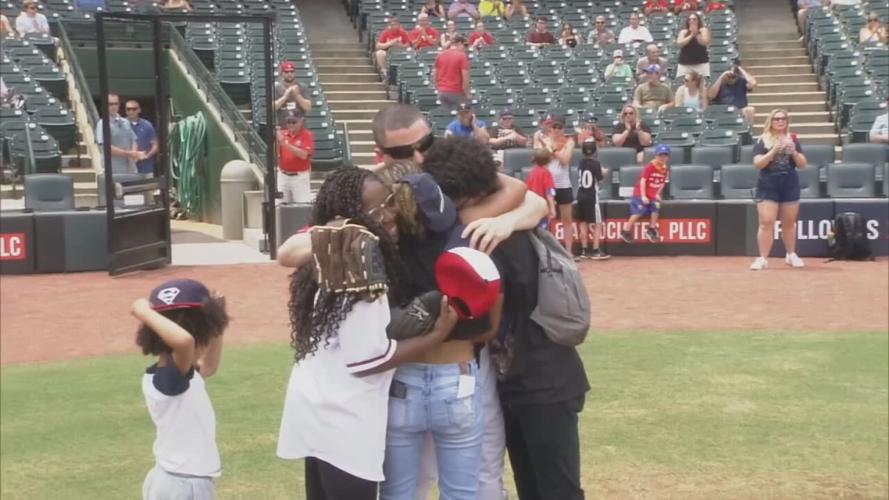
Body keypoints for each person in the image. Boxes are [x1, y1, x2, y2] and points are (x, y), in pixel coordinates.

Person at [421, 140, 590, 500]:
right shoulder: (502, 223)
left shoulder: (493, 236)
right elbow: (527, 197)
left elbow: (486, 325)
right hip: (521, 382)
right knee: (538, 486)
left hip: (543, 381)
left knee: (556, 489)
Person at [277, 167, 460, 500]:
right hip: (345, 421)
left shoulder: (333, 258)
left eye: (391, 202)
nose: (391, 213)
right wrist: (436, 334)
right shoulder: (361, 270)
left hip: (315, 408)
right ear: (353, 219)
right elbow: (369, 360)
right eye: (378, 210)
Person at [134, 278, 229, 500]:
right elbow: (185, 342)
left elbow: (210, 367)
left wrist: (219, 325)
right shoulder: (168, 382)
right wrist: (141, 309)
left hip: (171, 481)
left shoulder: (173, 376)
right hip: (183, 485)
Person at [750, 109, 808, 270]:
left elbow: (803, 164)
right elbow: (757, 163)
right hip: (768, 183)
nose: (780, 121)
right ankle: (762, 258)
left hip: (789, 182)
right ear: (771, 122)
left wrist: (794, 152)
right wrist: (773, 151)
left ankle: (791, 254)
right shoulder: (763, 140)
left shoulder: (793, 139)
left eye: (783, 119)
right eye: (776, 119)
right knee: (766, 222)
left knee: (789, 222)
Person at [534, 115, 577, 259]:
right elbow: (540, 158)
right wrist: (552, 149)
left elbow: (565, 160)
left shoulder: (569, 141)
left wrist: (551, 150)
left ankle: (569, 251)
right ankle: (545, 251)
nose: (557, 130)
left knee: (567, 220)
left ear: (563, 128)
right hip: (546, 184)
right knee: (545, 219)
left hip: (563, 184)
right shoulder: (543, 140)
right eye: (554, 127)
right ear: (549, 128)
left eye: (559, 127)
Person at [620, 144, 670, 244]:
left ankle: (651, 229)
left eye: (665, 155)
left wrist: (657, 194)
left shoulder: (665, 169)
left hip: (652, 195)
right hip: (640, 193)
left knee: (656, 206)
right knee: (639, 210)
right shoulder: (650, 166)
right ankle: (625, 230)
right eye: (660, 155)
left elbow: (662, 183)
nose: (662, 157)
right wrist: (643, 195)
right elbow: (643, 180)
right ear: (656, 156)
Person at [576, 140, 611, 260]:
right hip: (591, 197)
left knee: (583, 223)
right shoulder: (596, 164)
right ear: (595, 152)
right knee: (597, 224)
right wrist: (603, 172)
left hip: (580, 195)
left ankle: (584, 250)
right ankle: (596, 250)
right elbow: (600, 181)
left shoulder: (580, 163)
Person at [97, 93, 142, 174]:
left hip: (130, 170)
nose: (113, 106)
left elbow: (134, 140)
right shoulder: (102, 124)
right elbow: (106, 147)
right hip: (113, 171)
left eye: (116, 104)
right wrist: (129, 154)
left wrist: (133, 153)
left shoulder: (126, 122)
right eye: (110, 104)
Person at [276, 111, 314, 204]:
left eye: (294, 122)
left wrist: (285, 144)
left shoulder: (307, 135)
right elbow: (276, 153)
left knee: (302, 206)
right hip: (283, 176)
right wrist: (276, 141)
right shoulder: (283, 134)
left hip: (299, 177)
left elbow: (303, 155)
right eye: (289, 122)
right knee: (280, 205)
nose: (291, 124)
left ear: (301, 121)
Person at [434, 35, 470, 109]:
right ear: (459, 43)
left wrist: (438, 89)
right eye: (464, 45)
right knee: (466, 114)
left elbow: (434, 75)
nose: (465, 48)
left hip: (442, 92)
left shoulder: (440, 55)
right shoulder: (462, 56)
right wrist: (467, 94)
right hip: (456, 92)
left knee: (446, 116)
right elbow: (465, 78)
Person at [525, 148, 557, 229]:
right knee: (543, 231)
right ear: (549, 160)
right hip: (542, 207)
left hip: (531, 207)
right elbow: (549, 192)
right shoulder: (546, 173)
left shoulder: (532, 172)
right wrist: (552, 208)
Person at [274, 61, 312, 128]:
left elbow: (308, 107)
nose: (289, 74)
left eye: (292, 72)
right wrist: (285, 96)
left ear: (295, 73)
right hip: (283, 127)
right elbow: (273, 108)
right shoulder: (277, 88)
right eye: (286, 72)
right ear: (282, 73)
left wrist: (297, 95)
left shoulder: (302, 87)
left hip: (300, 128)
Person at [125, 100, 158, 176]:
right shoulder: (121, 125)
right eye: (128, 109)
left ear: (139, 110)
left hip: (146, 168)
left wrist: (147, 156)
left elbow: (155, 145)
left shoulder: (147, 125)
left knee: (148, 187)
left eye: (134, 109)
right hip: (127, 169)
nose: (131, 111)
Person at [676, 13, 711, 77]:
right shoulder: (683, 32)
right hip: (685, 64)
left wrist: (696, 34)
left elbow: (704, 42)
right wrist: (691, 35)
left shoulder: (703, 30)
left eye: (694, 19)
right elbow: (679, 44)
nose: (692, 21)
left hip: (701, 63)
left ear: (698, 20)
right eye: (690, 19)